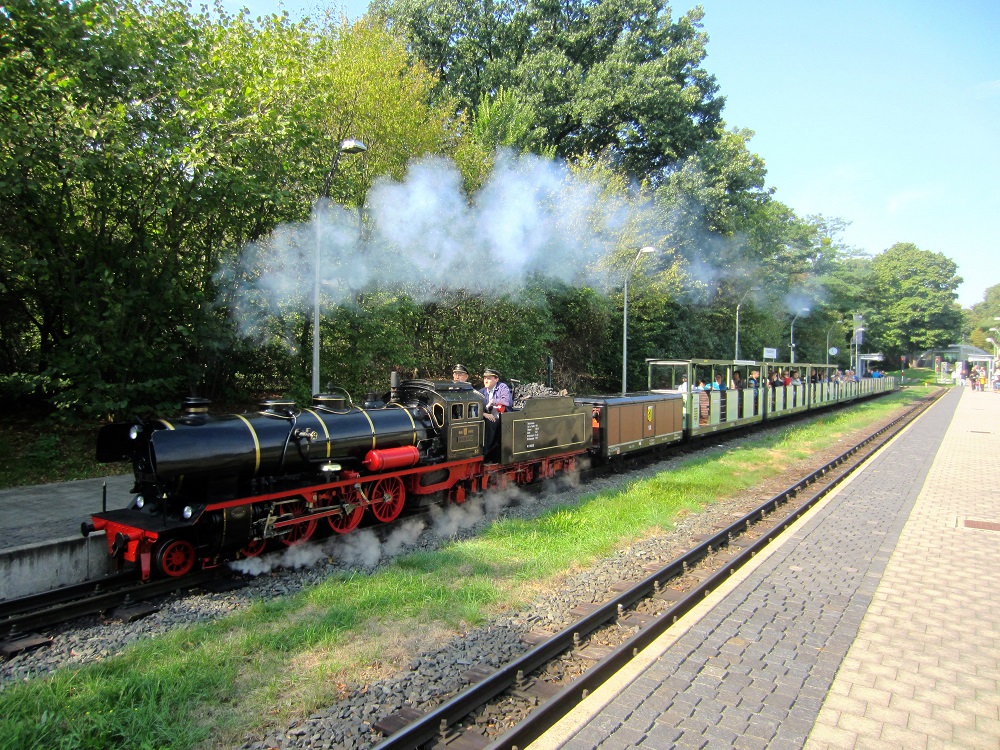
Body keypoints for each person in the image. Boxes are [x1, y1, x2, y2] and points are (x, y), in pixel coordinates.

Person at [479, 368, 512, 456]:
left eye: (489, 378)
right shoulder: (481, 392)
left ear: (496, 379)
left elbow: (507, 401)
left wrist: (493, 401)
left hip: (502, 416)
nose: (486, 380)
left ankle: (485, 452)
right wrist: (484, 414)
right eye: (485, 378)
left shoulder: (502, 387)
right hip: (487, 414)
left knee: (491, 422)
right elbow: (477, 407)